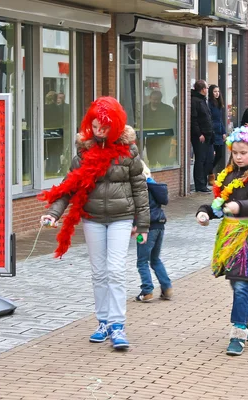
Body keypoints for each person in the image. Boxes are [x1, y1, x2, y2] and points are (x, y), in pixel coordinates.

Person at [38, 96, 150, 350]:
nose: (100, 130)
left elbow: (140, 189)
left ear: (116, 126)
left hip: (122, 217)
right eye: (96, 125)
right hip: (93, 218)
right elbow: (69, 186)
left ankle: (118, 325)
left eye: (105, 126)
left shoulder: (129, 151)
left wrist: (142, 225)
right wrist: (53, 214)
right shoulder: (83, 151)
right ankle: (103, 322)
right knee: (99, 272)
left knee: (115, 271)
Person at [196, 126, 248, 356]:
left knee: (241, 283)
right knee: (236, 282)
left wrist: (240, 206)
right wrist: (204, 213)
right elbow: (218, 204)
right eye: (235, 153)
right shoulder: (227, 175)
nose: (239, 157)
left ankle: (237, 333)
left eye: (244, 153)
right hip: (229, 236)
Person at [135, 161, 173, 303]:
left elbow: (139, 208)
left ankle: (147, 290)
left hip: (146, 227)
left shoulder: (140, 188)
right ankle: (167, 287)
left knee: (142, 260)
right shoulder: (154, 185)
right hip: (159, 225)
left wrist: (136, 226)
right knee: (155, 259)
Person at [191, 80, 214, 193]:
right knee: (200, 160)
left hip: (208, 134)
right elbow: (194, 119)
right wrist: (199, 133)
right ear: (203, 89)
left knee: (208, 159)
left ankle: (203, 183)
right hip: (200, 136)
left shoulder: (202, 100)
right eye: (206, 87)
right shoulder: (195, 101)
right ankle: (199, 185)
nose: (207, 90)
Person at [143, 90, 176, 167]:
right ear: (150, 98)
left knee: (163, 159)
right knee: (151, 159)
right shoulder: (144, 109)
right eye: (154, 99)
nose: (155, 101)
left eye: (158, 99)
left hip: (163, 138)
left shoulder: (168, 109)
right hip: (150, 138)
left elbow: (172, 123)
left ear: (161, 99)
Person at [208, 85, 227, 184]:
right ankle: (210, 174)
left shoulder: (219, 104)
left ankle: (209, 171)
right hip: (213, 132)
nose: (217, 93)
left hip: (219, 131)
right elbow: (210, 119)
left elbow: (220, 120)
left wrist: (223, 132)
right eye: (215, 91)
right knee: (211, 155)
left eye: (218, 91)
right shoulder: (209, 104)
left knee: (219, 154)